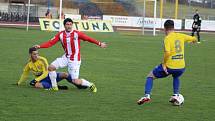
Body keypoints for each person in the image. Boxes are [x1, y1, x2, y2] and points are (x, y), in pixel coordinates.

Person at [34, 18, 107, 92]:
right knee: (51, 68)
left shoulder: (77, 33)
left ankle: (90, 84)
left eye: (70, 24)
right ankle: (54, 87)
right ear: (64, 25)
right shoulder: (61, 34)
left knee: (75, 81)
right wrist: (40, 46)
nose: (69, 26)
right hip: (66, 57)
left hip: (75, 60)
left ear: (72, 25)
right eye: (67, 24)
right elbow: (50, 43)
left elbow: (88, 38)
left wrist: (99, 43)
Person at [137, 20, 197, 105]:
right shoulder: (181, 36)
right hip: (181, 67)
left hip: (170, 67)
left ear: (165, 29)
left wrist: (164, 64)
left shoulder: (167, 39)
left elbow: (167, 53)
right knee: (176, 76)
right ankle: (176, 95)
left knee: (150, 76)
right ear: (173, 28)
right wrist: (193, 40)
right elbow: (193, 38)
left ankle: (147, 95)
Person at [17, 47, 88, 90]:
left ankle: (78, 85)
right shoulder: (29, 64)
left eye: (37, 54)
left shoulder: (42, 60)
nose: (36, 55)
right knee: (37, 85)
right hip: (43, 81)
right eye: (34, 54)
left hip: (50, 76)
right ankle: (56, 86)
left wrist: (36, 79)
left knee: (65, 74)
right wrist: (19, 83)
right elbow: (24, 74)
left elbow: (45, 73)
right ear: (30, 55)